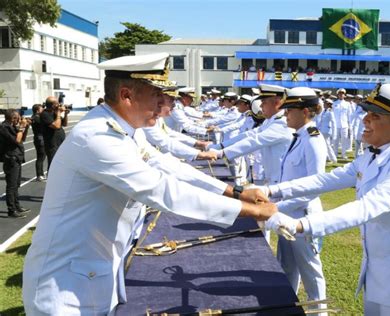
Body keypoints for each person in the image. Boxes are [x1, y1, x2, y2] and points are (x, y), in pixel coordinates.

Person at [22, 53, 276, 315]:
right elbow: (161, 190)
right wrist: (251, 211)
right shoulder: (98, 137)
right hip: (64, 289)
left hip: (92, 275)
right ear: (126, 95)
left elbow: (166, 166)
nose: (163, 103)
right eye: (156, 94)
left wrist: (235, 192)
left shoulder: (126, 130)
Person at [260, 84, 390, 315]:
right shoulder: (370, 156)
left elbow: (365, 208)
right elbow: (325, 180)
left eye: (375, 116)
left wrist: (299, 225)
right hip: (379, 272)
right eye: (366, 113)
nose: (364, 120)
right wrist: (270, 191)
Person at [276, 87, 327, 303]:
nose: (285, 114)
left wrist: (276, 208)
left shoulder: (313, 140)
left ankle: (319, 312)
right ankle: (288, 306)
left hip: (304, 216)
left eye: (289, 109)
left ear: (305, 111)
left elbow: (314, 187)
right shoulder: (299, 137)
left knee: (311, 272)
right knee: (287, 267)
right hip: (287, 214)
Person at [0, 109, 31, 218]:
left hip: (17, 157)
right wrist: (21, 126)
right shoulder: (4, 127)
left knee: (16, 184)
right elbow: (16, 141)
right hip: (11, 158)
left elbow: (22, 139)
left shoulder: (12, 126)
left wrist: (25, 127)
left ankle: (17, 206)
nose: (19, 119)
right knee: (11, 186)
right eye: (18, 117)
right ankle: (11, 210)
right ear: (13, 118)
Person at [40, 96, 69, 168]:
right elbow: (56, 126)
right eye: (57, 103)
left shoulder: (54, 113)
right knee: (53, 164)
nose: (59, 105)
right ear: (53, 105)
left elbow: (64, 124)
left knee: (61, 163)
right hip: (52, 144)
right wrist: (59, 113)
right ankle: (51, 178)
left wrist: (65, 114)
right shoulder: (45, 114)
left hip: (60, 142)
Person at [31, 104, 47, 181]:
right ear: (37, 110)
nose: (43, 110)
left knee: (41, 157)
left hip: (39, 138)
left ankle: (40, 174)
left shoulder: (35, 117)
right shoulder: (37, 118)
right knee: (41, 157)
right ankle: (39, 175)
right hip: (40, 138)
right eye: (42, 109)